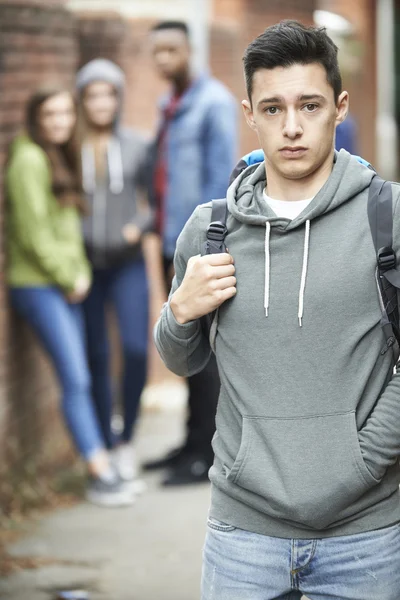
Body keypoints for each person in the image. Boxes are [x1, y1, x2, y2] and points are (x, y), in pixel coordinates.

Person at [155, 20, 400, 600]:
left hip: (366, 537)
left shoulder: (387, 218)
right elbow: (181, 362)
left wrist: (363, 462)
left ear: (339, 108)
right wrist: (180, 312)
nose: (291, 127)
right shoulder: (210, 229)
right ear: (249, 113)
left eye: (310, 105)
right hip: (243, 535)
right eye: (273, 108)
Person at [6, 86, 134, 507]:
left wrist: (77, 273)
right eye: (51, 115)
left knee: (82, 372)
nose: (60, 121)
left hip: (63, 284)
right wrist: (69, 276)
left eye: (65, 113)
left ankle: (102, 465)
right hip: (38, 285)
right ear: (36, 118)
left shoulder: (56, 154)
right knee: (76, 376)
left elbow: (67, 230)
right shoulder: (27, 160)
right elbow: (33, 234)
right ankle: (99, 473)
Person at [144, 20, 238, 486]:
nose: (163, 59)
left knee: (205, 354)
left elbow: (224, 182)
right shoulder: (168, 104)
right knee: (182, 343)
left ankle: (205, 453)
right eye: (156, 52)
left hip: (200, 247)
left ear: (190, 50)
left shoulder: (214, 103)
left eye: (171, 51)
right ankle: (189, 441)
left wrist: (210, 248)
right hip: (169, 243)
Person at [76, 59, 152, 492]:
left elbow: (153, 202)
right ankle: (105, 440)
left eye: (109, 93)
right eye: (93, 94)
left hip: (127, 264)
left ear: (119, 98)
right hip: (85, 267)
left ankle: (126, 439)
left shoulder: (138, 145)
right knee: (97, 356)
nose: (102, 102)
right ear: (83, 100)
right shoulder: (74, 145)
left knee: (137, 348)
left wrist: (137, 228)